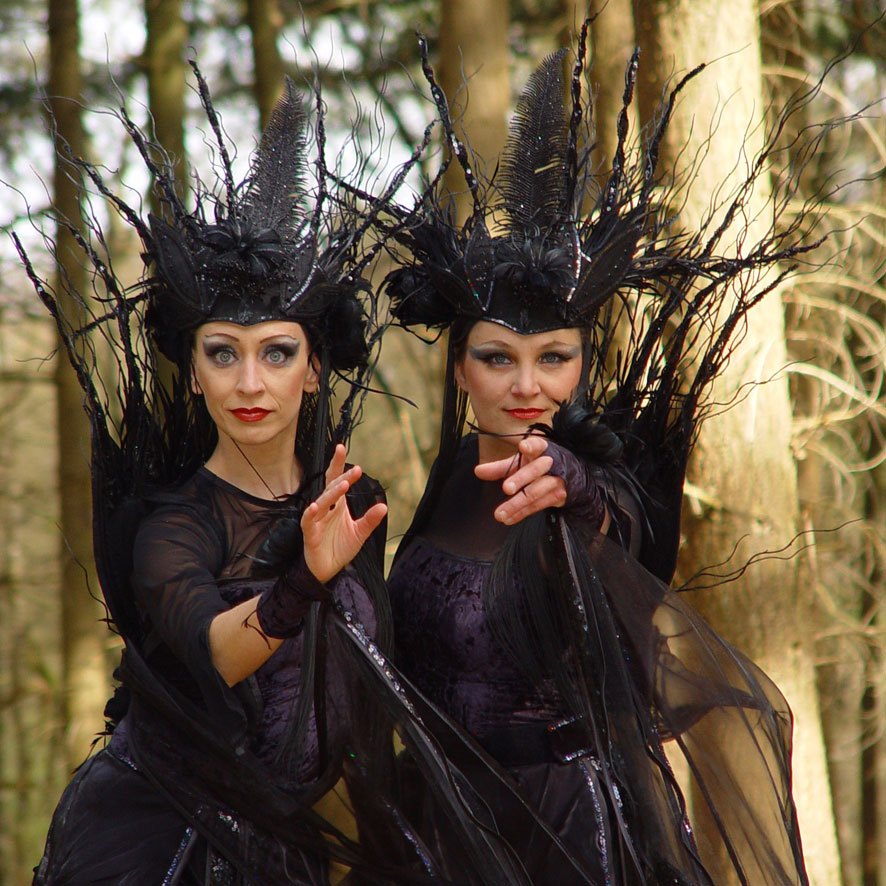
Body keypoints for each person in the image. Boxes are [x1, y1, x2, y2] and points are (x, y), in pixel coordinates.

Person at [19, 67, 504, 885]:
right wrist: (301, 581)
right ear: (194, 372)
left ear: (314, 370)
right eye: (224, 354)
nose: (250, 383)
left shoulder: (354, 503)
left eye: (277, 354)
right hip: (159, 837)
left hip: (286, 840)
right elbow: (218, 654)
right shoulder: (172, 525)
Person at [382, 28, 814, 886]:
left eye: (554, 358)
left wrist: (578, 491)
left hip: (562, 836)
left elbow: (625, 530)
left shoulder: (603, 484)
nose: (526, 385)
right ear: (460, 367)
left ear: (583, 364)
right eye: (497, 358)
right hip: (440, 823)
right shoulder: (452, 474)